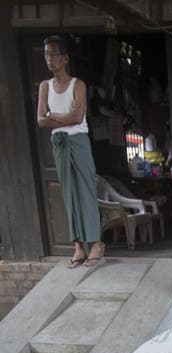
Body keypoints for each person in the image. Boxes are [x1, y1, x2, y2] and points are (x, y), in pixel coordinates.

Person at [37, 35, 103, 268]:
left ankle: (95, 244)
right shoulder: (45, 87)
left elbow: (77, 117)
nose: (50, 59)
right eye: (46, 54)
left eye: (54, 54)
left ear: (65, 58)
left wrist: (54, 117)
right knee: (69, 194)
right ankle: (78, 247)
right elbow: (40, 120)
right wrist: (61, 119)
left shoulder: (78, 85)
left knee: (85, 190)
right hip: (60, 144)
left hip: (78, 142)